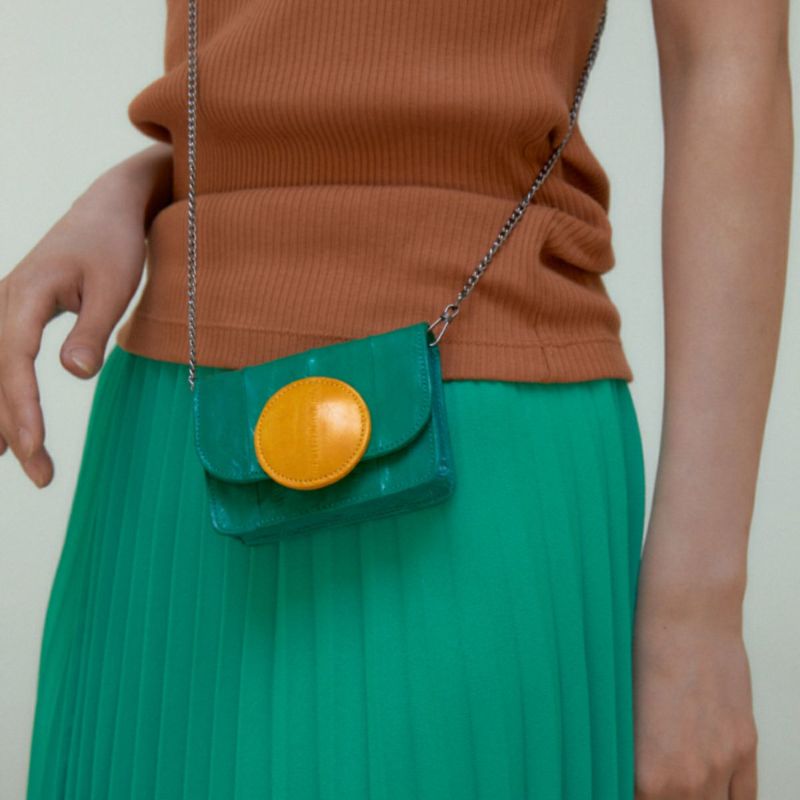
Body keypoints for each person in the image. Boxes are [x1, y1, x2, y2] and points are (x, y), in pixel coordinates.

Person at [2, 1, 791, 798]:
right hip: (179, 440)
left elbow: (725, 59)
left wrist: (698, 613)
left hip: (480, 436)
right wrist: (146, 184)